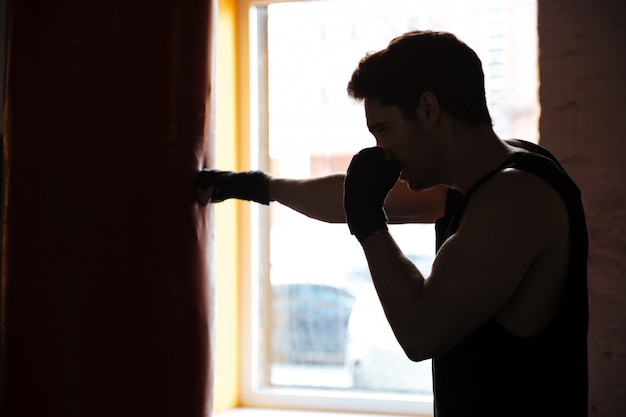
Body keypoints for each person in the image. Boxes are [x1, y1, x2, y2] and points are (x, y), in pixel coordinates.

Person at [196, 30, 588, 416]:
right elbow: (342, 198)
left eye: (384, 130)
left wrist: (369, 225)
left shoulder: (515, 198)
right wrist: (248, 185)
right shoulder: (483, 178)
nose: (383, 150)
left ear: (429, 109)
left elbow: (420, 333)